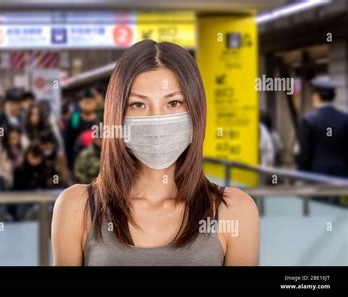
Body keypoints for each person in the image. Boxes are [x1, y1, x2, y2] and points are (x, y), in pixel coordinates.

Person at [52, 40, 259, 266]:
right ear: (116, 115)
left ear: (196, 110)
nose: (156, 120)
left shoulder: (235, 210)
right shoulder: (76, 207)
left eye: (174, 103)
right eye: (138, 105)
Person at [297, 76, 348, 177]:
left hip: (317, 176)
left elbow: (305, 154)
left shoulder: (309, 119)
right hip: (342, 176)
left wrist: (301, 173)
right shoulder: (345, 118)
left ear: (317, 96)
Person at [64, 89, 100, 169]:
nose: (88, 105)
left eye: (90, 102)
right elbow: (68, 142)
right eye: (85, 102)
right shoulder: (75, 119)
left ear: (95, 103)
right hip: (78, 162)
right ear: (79, 103)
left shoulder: (101, 118)